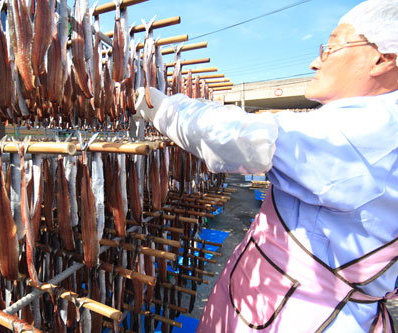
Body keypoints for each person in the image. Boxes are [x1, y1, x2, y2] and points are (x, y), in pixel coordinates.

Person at [135, 0, 398, 331]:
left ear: (382, 59)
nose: (316, 61)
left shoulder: (374, 128)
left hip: (305, 317)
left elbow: (241, 138)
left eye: (329, 48)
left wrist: (164, 109)